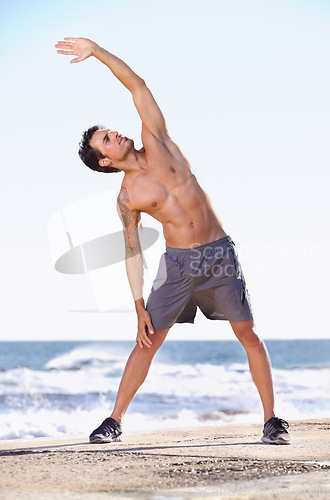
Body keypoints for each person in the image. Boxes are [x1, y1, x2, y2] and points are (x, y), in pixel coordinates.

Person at [55, 37, 291, 445]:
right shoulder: (127, 197)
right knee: (147, 340)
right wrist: (137, 305)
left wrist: (96, 51)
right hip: (179, 263)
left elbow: (137, 85)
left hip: (219, 255)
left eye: (110, 131)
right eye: (105, 140)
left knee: (248, 332)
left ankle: (272, 419)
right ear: (105, 162)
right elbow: (132, 252)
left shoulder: (157, 137)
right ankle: (114, 420)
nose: (115, 134)